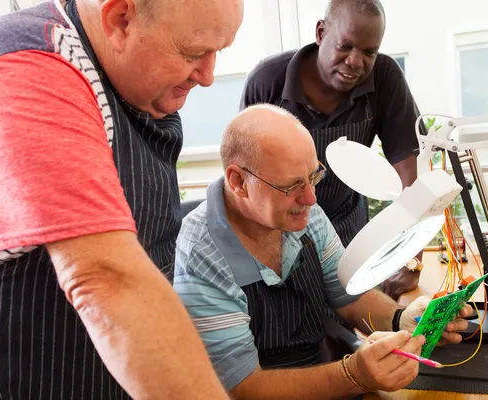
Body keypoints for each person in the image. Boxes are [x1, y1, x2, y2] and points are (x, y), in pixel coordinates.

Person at [0, 0, 242, 398]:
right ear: (120, 20)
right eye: (194, 53)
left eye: (218, 52)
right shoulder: (31, 65)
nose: (208, 76)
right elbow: (106, 280)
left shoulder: (136, 83)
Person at [174, 104, 471, 399]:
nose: (311, 197)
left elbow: (349, 296)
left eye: (314, 177)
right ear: (239, 181)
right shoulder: (202, 253)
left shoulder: (303, 212)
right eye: (291, 186)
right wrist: (352, 375)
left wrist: (402, 319)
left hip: (326, 369)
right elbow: (242, 388)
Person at [240, 0, 425, 301]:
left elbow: (407, 176)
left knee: (358, 324)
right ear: (321, 32)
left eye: (369, 52)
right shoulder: (267, 82)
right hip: (281, 235)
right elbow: (244, 183)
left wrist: (410, 256)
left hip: (348, 230)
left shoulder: (385, 76)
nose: (355, 62)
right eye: (345, 46)